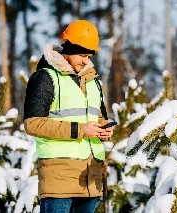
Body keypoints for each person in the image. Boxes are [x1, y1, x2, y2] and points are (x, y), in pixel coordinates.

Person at [23, 20, 113, 213]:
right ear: (68, 49)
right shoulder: (46, 78)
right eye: (82, 55)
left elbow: (99, 117)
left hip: (90, 178)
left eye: (89, 56)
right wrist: (81, 130)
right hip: (59, 178)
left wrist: (105, 129)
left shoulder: (93, 81)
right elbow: (33, 124)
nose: (86, 60)